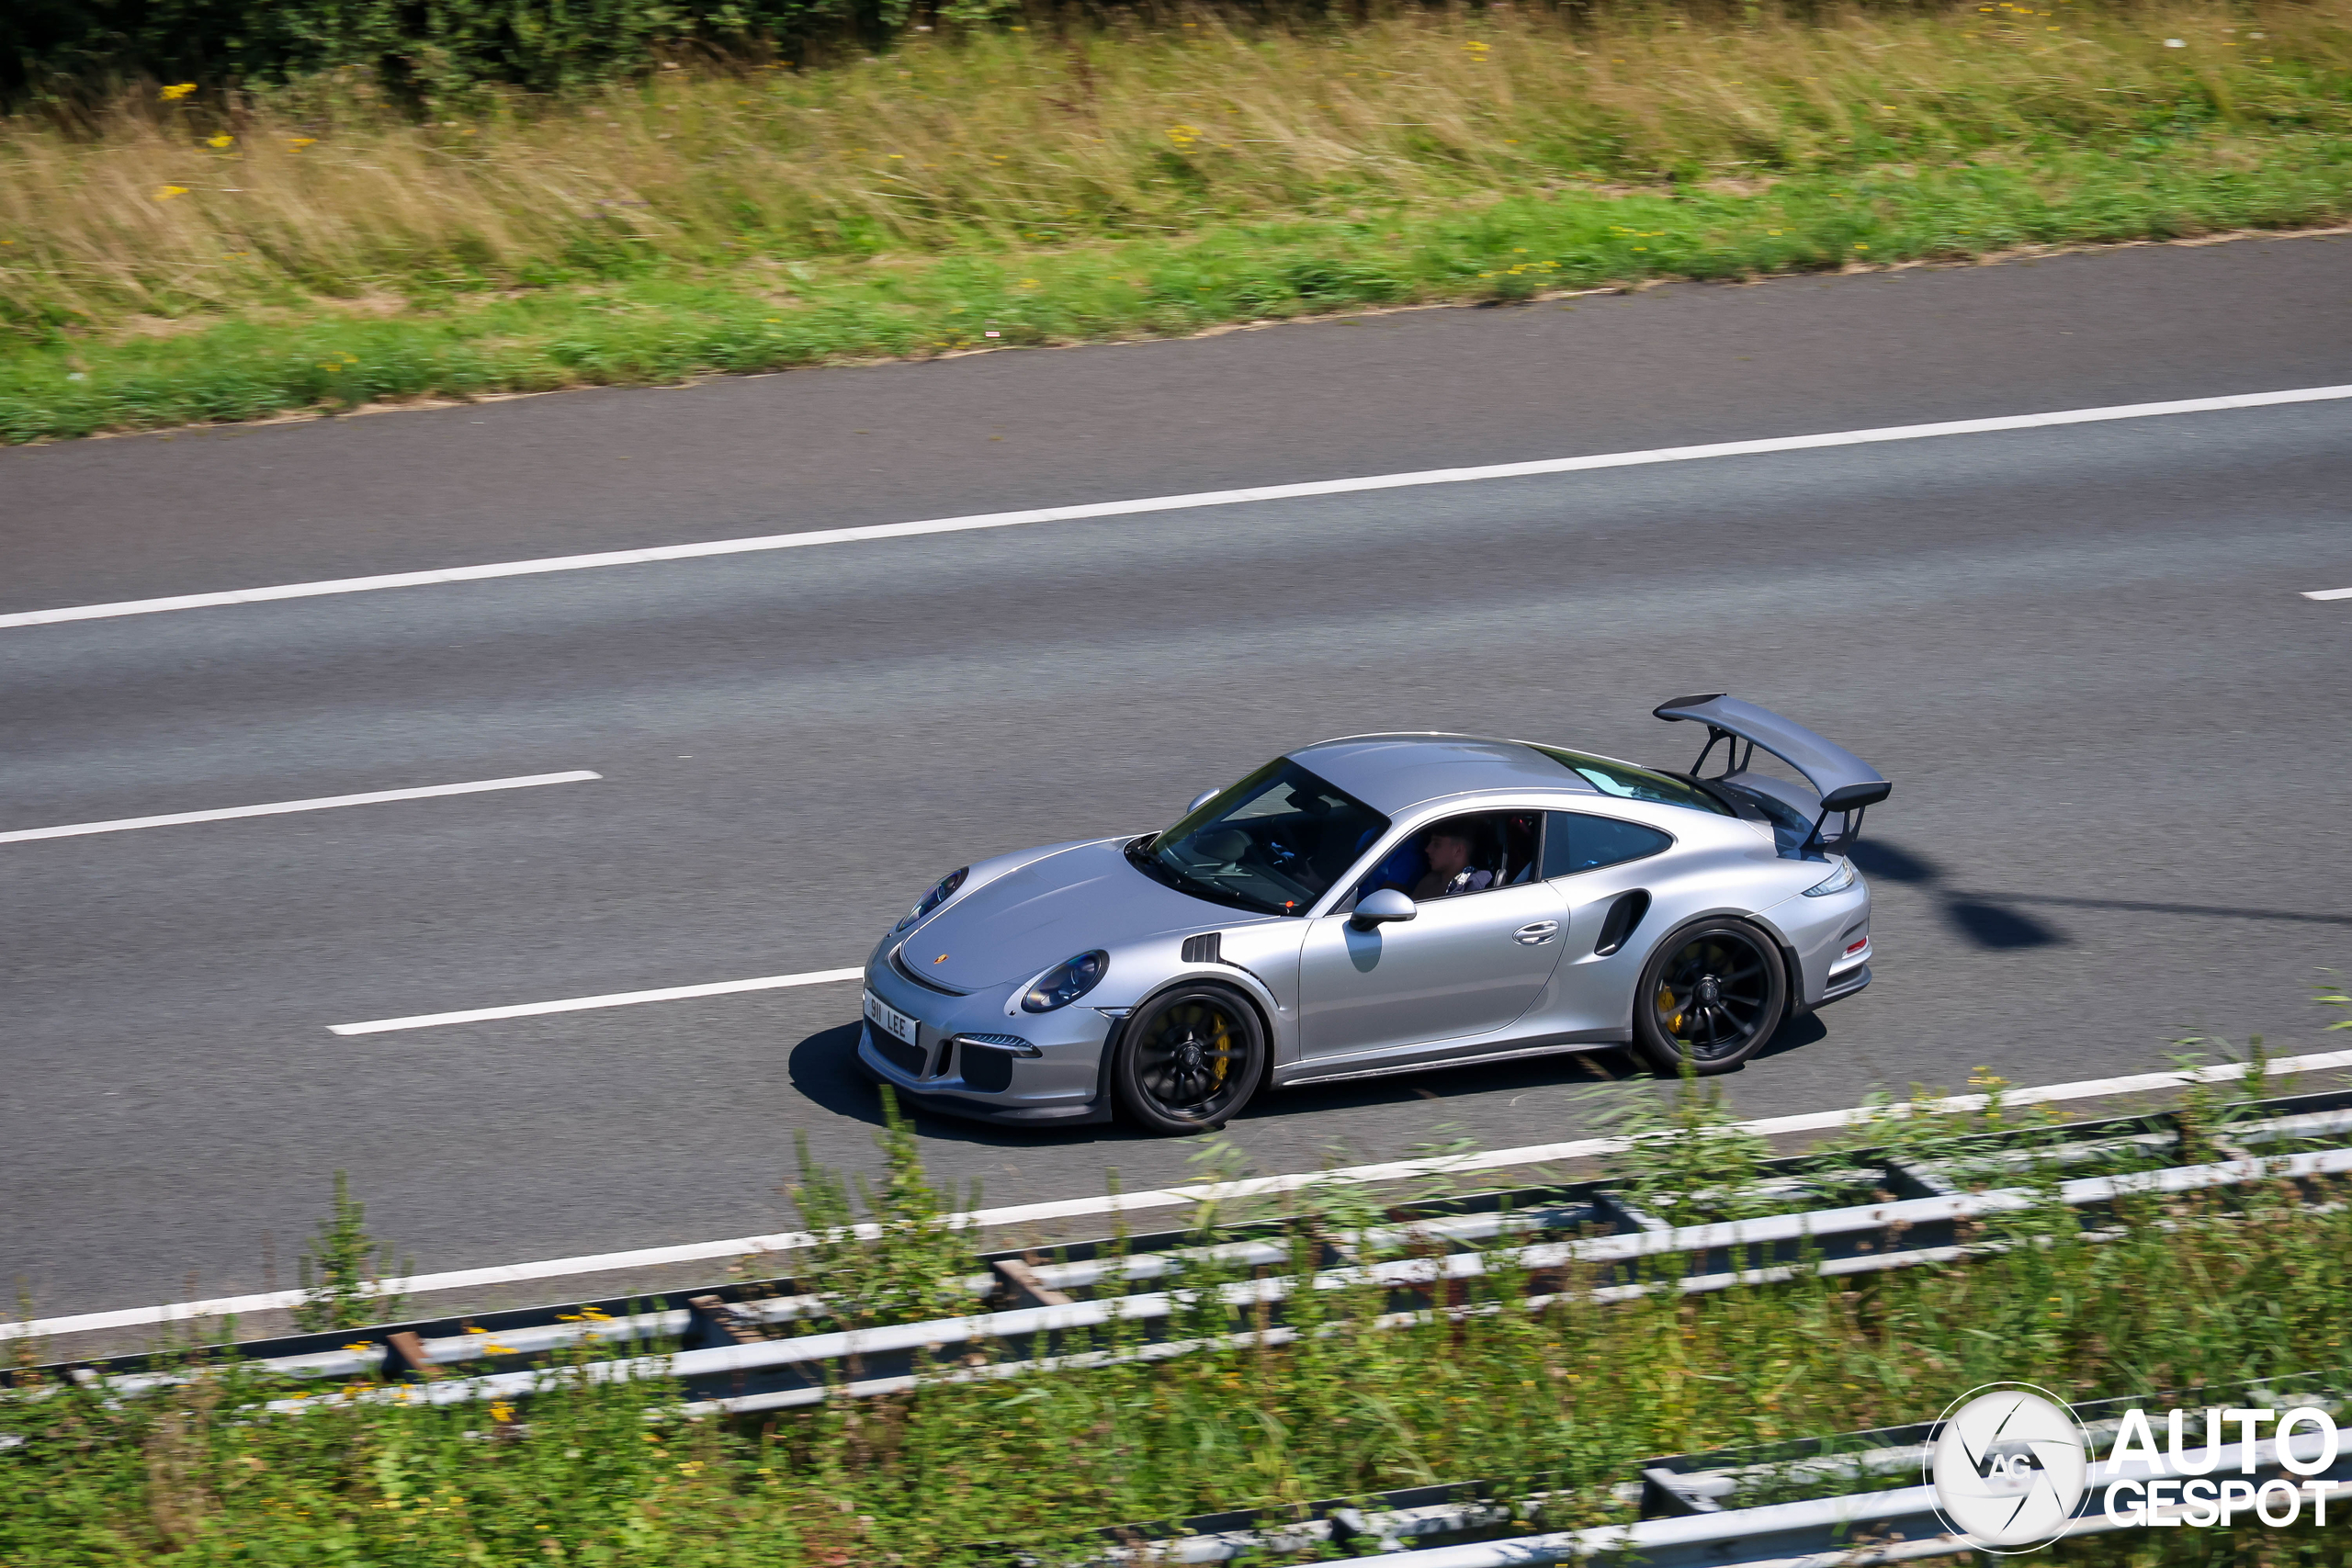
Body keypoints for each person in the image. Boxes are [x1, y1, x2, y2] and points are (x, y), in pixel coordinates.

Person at [1411, 825, 1491, 900]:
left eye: (1437, 844)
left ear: (1458, 850)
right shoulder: (1428, 881)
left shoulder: (1474, 887)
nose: (1427, 849)